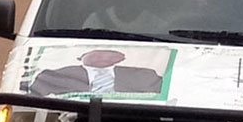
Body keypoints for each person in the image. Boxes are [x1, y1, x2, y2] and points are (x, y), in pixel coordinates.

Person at [29, 49, 163, 96]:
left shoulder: (146, 76)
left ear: (120, 58)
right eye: (95, 54)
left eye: (109, 55)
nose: (102, 57)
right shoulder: (52, 76)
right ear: (81, 57)